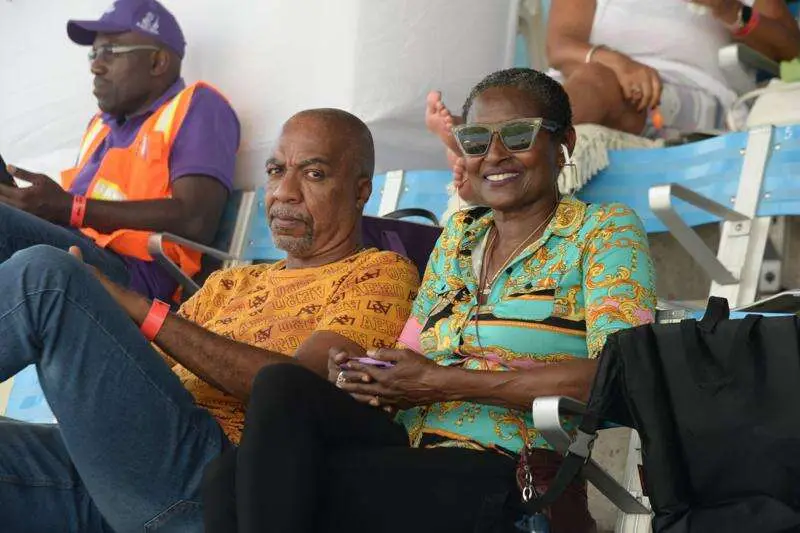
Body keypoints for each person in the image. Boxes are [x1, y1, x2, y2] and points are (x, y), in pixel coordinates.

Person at [202, 68, 657, 533]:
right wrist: (367, 374)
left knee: (249, 482)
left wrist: (442, 383)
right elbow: (412, 355)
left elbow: (620, 376)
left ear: (564, 144)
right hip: (408, 446)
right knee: (277, 394)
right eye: (475, 141)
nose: (494, 155)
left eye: (518, 136)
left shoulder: (603, 231)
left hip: (504, 465)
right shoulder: (459, 236)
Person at [0, 109, 420, 532]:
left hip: (216, 482)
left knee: (46, 280)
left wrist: (140, 309)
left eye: (313, 174)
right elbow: (140, 382)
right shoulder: (230, 283)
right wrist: (94, 320)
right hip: (127, 476)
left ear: (360, 191)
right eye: (275, 171)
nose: (284, 192)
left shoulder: (379, 273)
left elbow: (299, 391)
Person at [0, 0, 241, 301]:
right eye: (94, 54)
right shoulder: (98, 127)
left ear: (157, 62)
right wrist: (28, 206)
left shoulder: (198, 106)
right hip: (73, 251)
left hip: (134, 277)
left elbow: (197, 219)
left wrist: (71, 208)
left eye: (111, 52)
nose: (96, 66)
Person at [546, 0, 800, 137]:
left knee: (594, 81)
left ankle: (532, 148)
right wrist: (618, 64)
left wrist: (730, 10)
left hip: (691, 96)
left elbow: (792, 48)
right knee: (533, 95)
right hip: (586, 79)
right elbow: (560, 46)